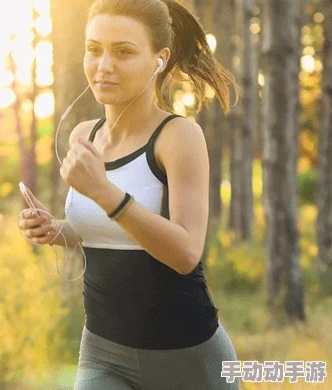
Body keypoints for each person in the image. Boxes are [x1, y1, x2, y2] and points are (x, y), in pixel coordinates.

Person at [18, 0, 241, 388]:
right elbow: (104, 232)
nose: (104, 66)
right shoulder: (83, 136)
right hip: (103, 353)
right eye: (94, 49)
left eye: (123, 52)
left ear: (160, 59)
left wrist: (105, 193)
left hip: (188, 359)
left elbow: (186, 253)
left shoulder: (177, 137)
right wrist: (55, 230)